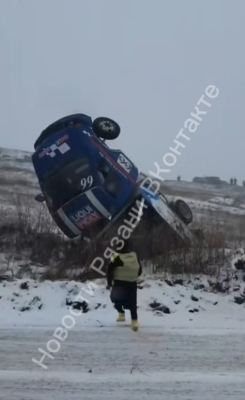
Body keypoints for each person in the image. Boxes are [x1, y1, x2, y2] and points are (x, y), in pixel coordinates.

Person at [106, 238, 142, 331]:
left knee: (114, 298)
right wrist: (134, 276)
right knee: (133, 303)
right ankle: (134, 322)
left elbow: (109, 271)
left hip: (120, 281)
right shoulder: (134, 255)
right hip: (132, 281)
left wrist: (109, 283)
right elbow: (139, 269)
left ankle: (121, 313)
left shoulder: (117, 257)